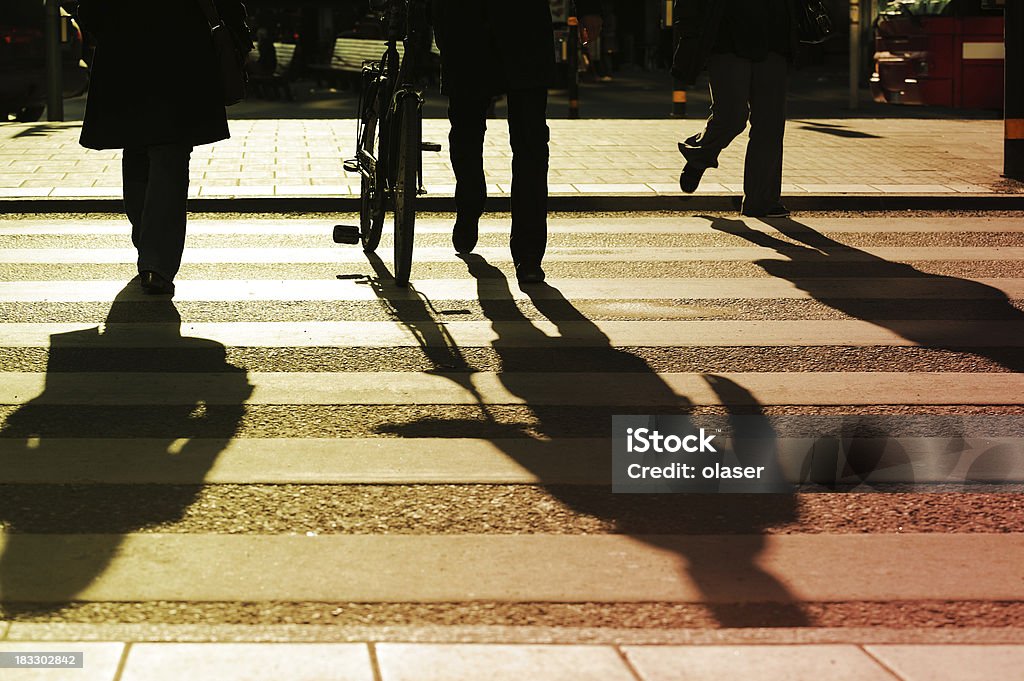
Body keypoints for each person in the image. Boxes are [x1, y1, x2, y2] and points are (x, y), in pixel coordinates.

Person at [75, 0, 249, 295]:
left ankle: (148, 245)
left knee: (138, 150)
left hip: (127, 54)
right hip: (182, 53)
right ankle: (156, 262)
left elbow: (90, 10)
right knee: (168, 156)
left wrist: (113, 32)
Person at [431, 0, 555, 284]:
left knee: (531, 143)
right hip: (464, 24)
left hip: (525, 27)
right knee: (466, 131)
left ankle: (529, 252)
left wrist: (589, 10)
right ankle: (469, 202)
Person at [671, 0, 798, 218]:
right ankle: (700, 155)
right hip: (726, 40)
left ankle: (762, 201)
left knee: (770, 123)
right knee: (731, 116)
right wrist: (689, 31)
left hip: (774, 40)